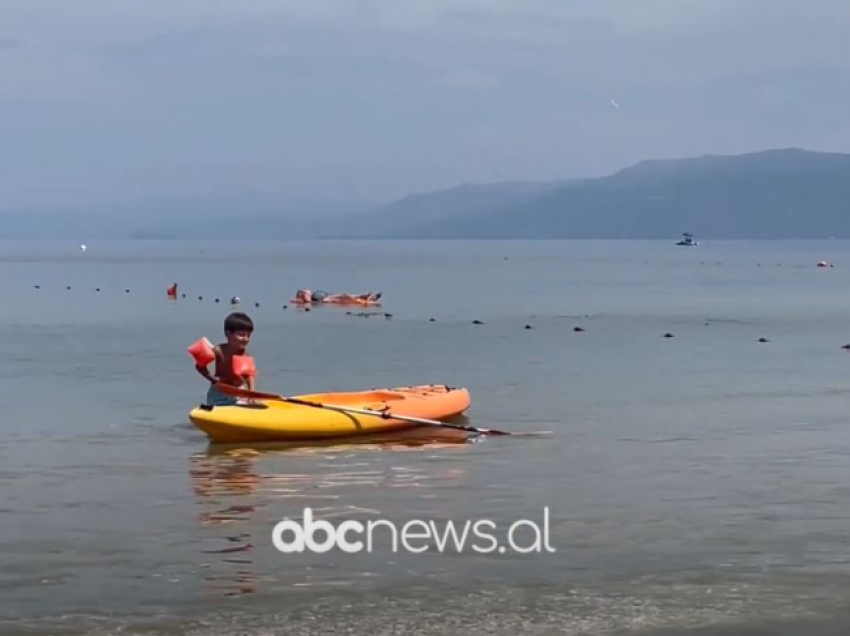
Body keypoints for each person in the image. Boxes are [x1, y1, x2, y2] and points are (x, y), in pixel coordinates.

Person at [195, 312, 256, 406]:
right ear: (228, 333)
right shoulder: (218, 350)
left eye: (248, 335)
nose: (245, 339)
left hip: (238, 392)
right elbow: (200, 366)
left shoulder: (244, 354)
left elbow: (249, 376)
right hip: (219, 392)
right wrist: (212, 379)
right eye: (241, 334)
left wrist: (251, 394)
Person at [292, 288, 382, 304]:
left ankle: (367, 297)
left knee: (345, 295)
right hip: (326, 299)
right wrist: (303, 295)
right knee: (344, 296)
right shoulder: (305, 296)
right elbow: (308, 301)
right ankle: (365, 296)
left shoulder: (307, 293)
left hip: (329, 295)